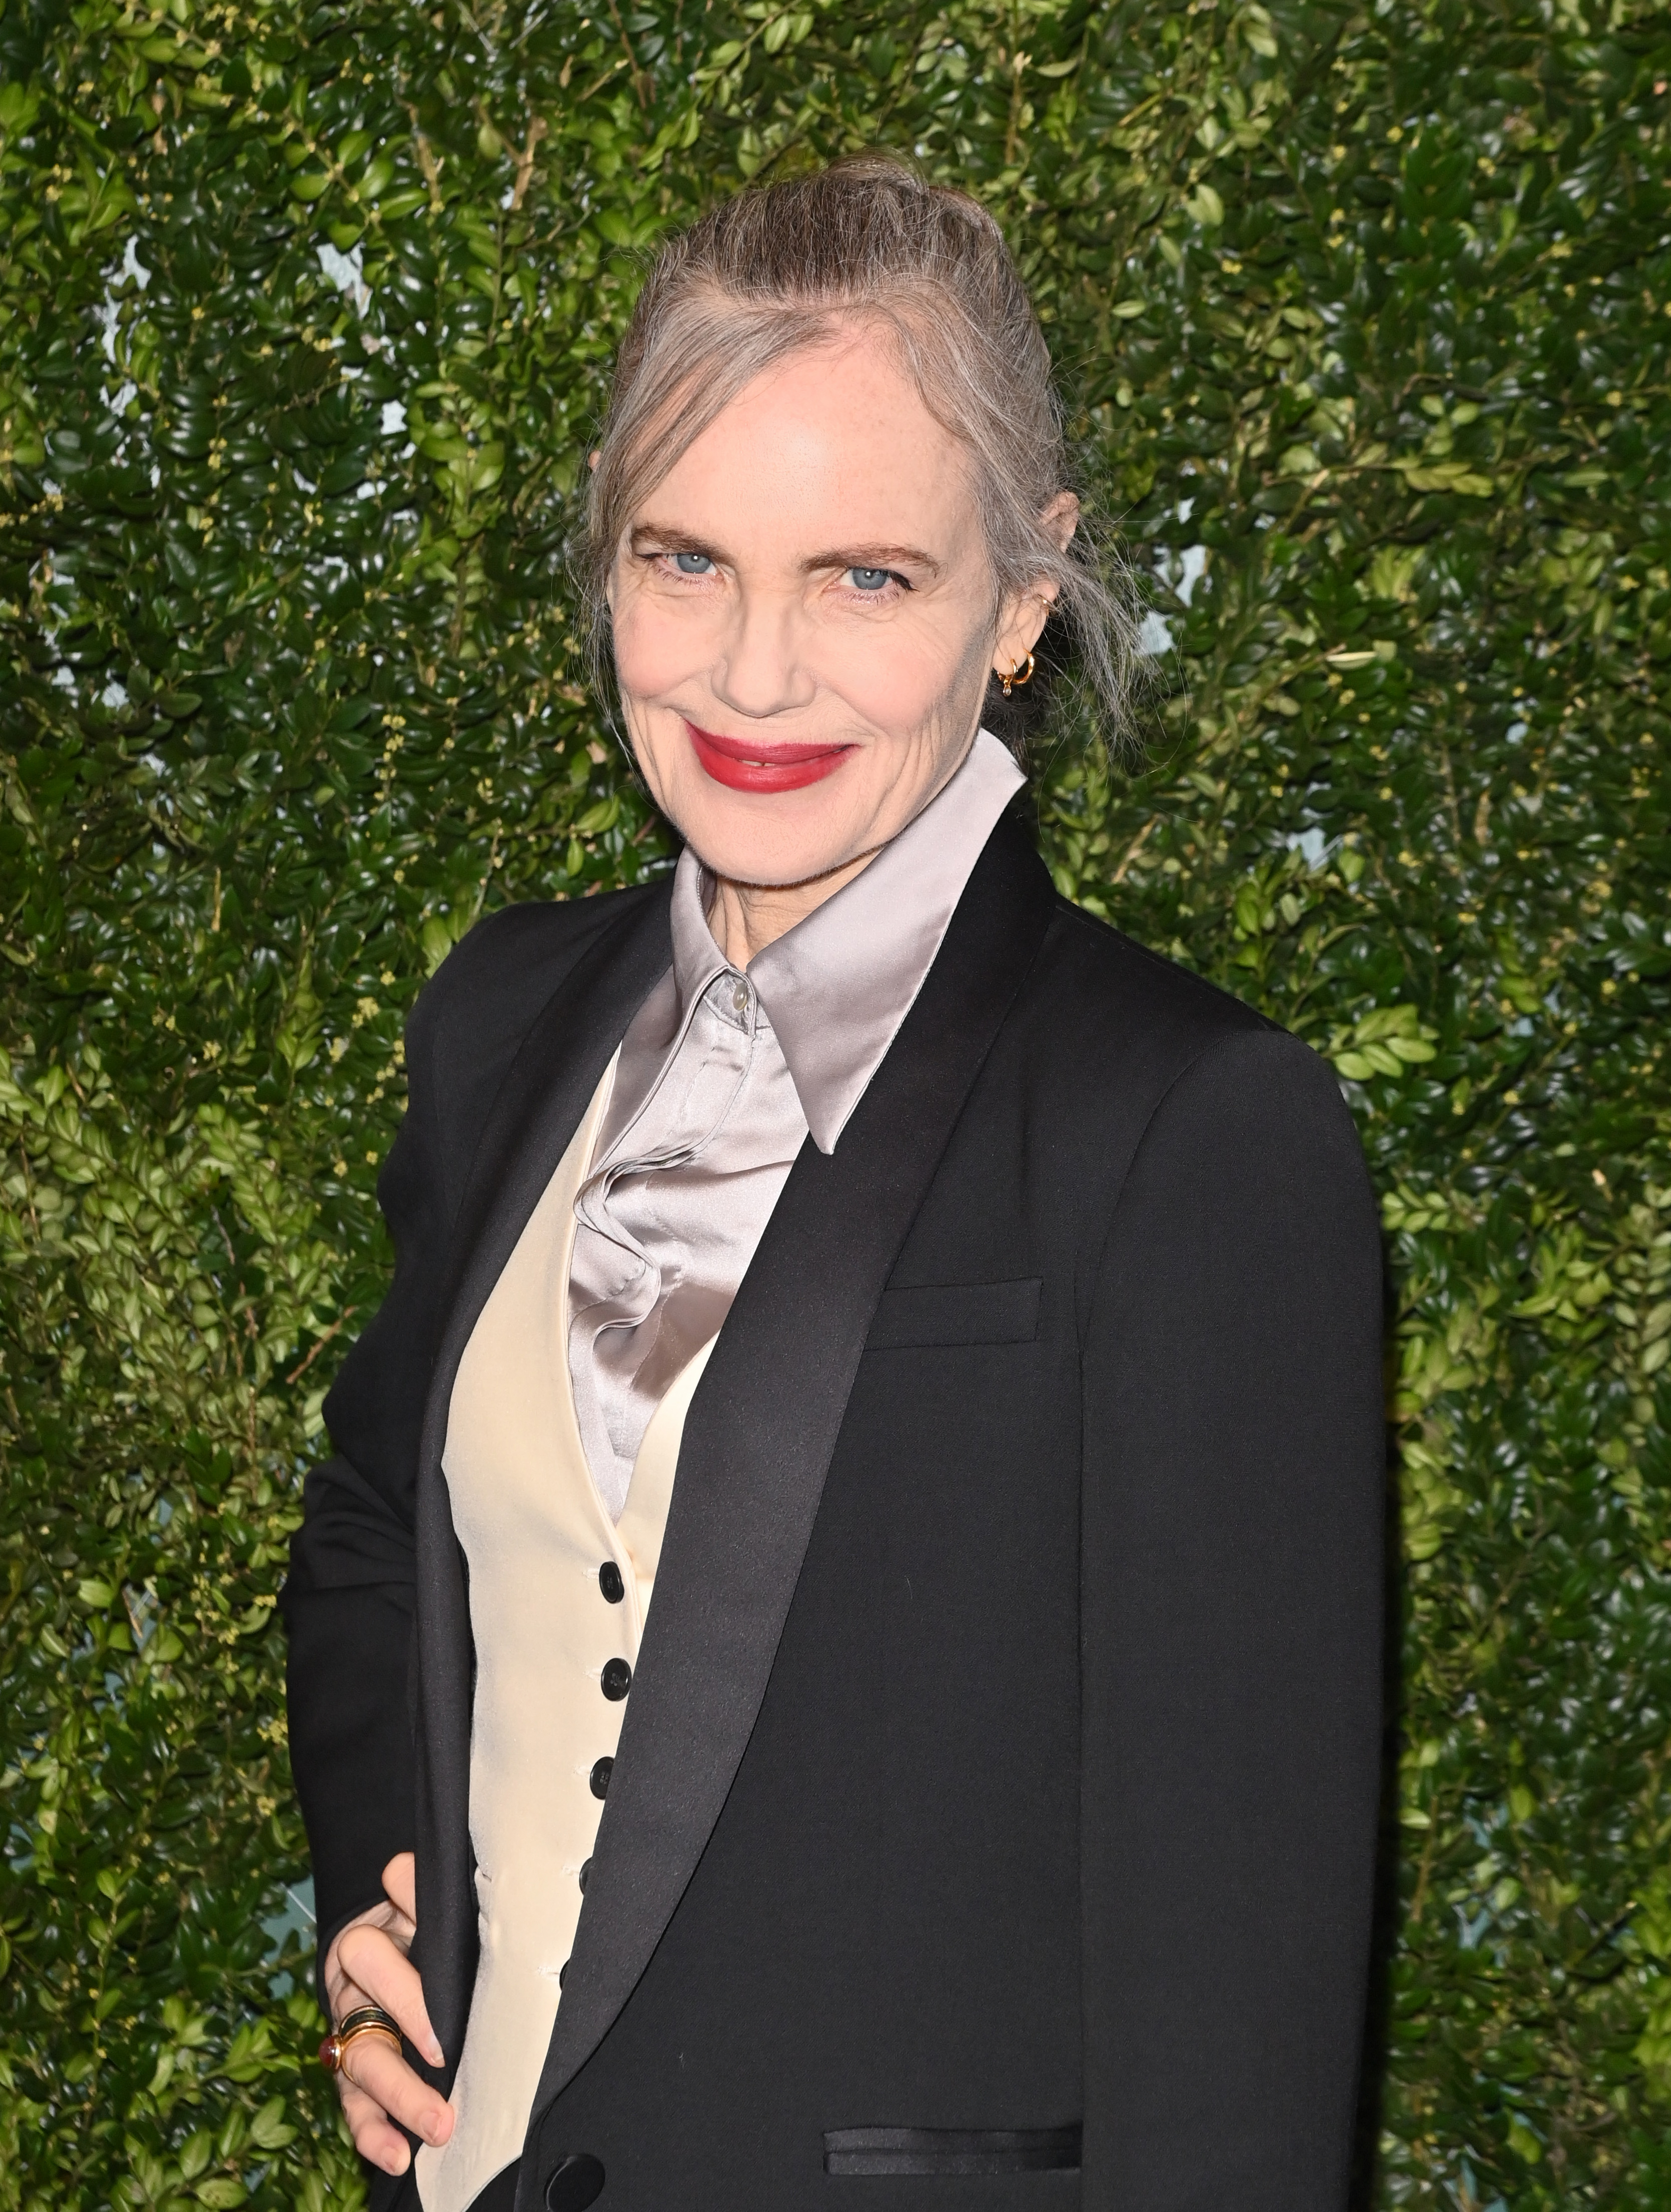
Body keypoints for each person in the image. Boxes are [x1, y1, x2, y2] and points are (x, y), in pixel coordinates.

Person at [283, 154, 1384, 2212]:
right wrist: (381, 1902)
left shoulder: (1197, 1132)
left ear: (1022, 602)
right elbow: (372, 1530)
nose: (750, 674)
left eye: (861, 576)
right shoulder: (502, 1022)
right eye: (682, 559)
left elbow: (1232, 2024)